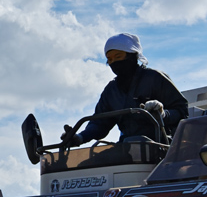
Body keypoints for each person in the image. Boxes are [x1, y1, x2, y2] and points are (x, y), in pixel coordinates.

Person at [61, 33, 189, 147]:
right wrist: (80, 137)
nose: (114, 62)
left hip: (161, 147)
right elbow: (100, 123)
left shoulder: (154, 78)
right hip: (126, 149)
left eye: (118, 56)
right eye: (110, 59)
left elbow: (182, 111)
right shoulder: (111, 90)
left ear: (132, 56)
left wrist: (162, 114)